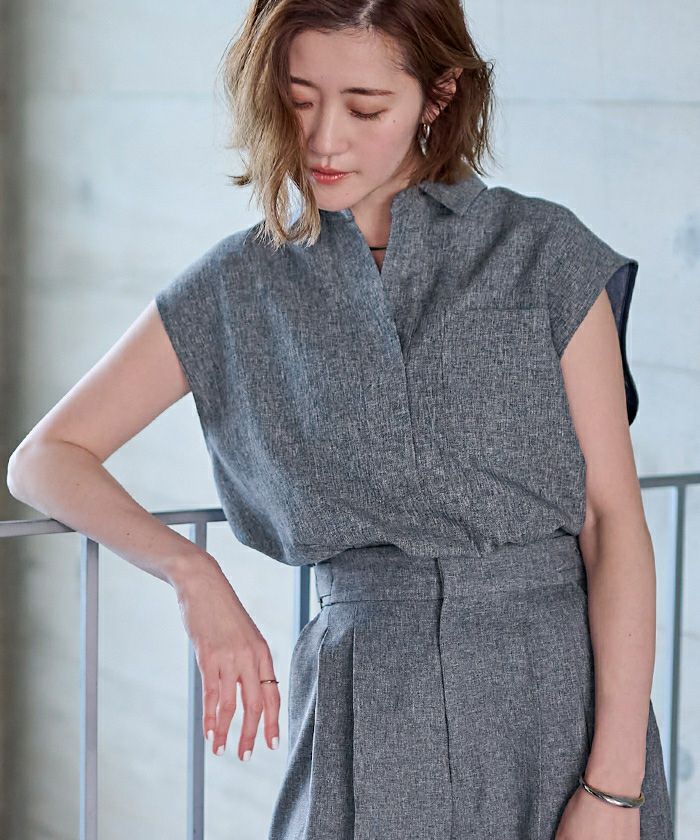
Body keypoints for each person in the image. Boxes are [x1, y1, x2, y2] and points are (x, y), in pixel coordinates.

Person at [6, 2, 675, 839]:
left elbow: (611, 523)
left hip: (559, 703)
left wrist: (614, 790)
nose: (324, 140)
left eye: (365, 108)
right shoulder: (239, 284)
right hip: (367, 707)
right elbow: (45, 457)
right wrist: (191, 572)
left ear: (438, 96)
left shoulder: (542, 252)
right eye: (299, 99)